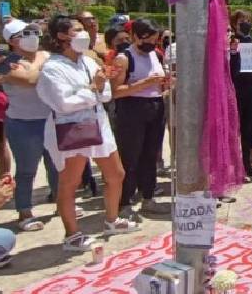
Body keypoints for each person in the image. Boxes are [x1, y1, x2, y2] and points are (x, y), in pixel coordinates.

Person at [37, 15, 138, 251]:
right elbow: (63, 103)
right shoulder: (52, 68)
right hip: (70, 127)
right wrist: (93, 88)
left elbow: (105, 95)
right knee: (70, 183)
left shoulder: (88, 62)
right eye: (77, 30)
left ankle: (112, 220)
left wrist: (99, 88)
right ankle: (72, 234)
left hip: (98, 122)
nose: (84, 34)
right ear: (62, 36)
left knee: (116, 173)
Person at [1, 19, 60, 231]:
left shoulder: (47, 56)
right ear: (12, 41)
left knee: (56, 165)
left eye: (32, 32)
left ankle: (61, 202)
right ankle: (24, 211)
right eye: (23, 35)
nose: (31, 37)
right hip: (23, 123)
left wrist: (42, 61)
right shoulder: (6, 62)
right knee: (27, 170)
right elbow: (29, 80)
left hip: (50, 119)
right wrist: (40, 62)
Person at [110, 18, 169, 221]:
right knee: (130, 157)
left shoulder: (156, 55)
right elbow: (115, 91)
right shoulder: (124, 58)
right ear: (135, 36)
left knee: (150, 155)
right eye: (147, 38)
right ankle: (124, 202)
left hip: (155, 106)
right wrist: (144, 83)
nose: (151, 43)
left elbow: (159, 84)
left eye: (155, 39)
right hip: (132, 109)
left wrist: (166, 84)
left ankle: (148, 197)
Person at [229, 10, 252, 177]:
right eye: (242, 21)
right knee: (234, 129)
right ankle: (233, 164)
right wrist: (233, 52)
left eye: (248, 20)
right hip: (235, 90)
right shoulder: (231, 42)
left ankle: (246, 163)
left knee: (248, 129)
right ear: (235, 23)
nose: (246, 23)